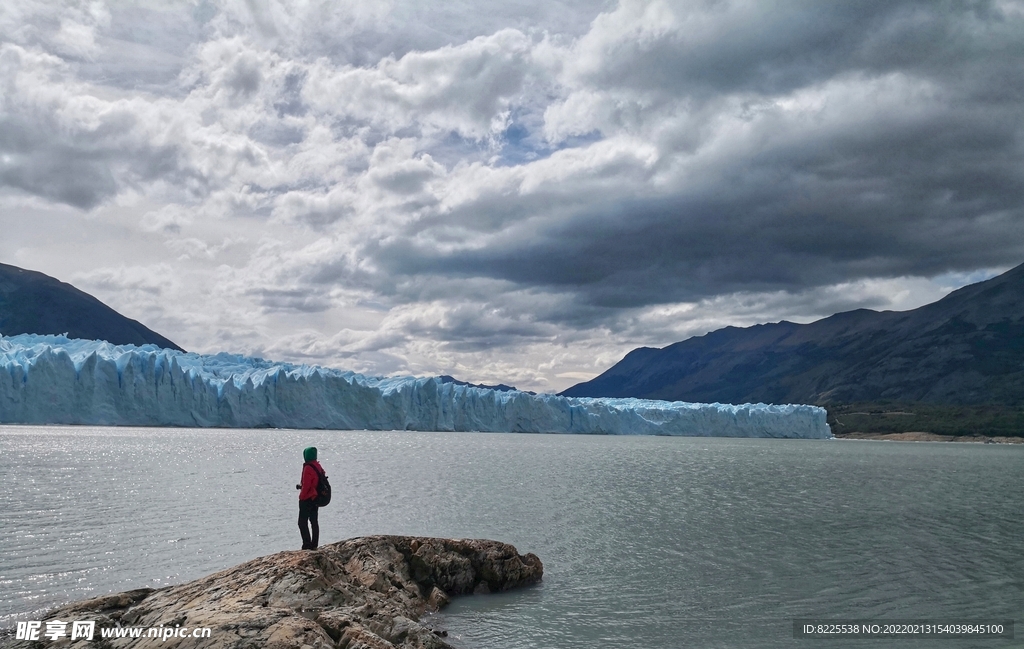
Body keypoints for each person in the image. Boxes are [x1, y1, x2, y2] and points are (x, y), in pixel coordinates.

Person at [295, 446, 323, 550]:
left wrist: (301, 497)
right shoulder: (318, 466)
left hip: (307, 498)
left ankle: (306, 544)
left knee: (302, 522)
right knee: (314, 521)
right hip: (316, 498)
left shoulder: (308, 467)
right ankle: (314, 544)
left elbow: (306, 485)